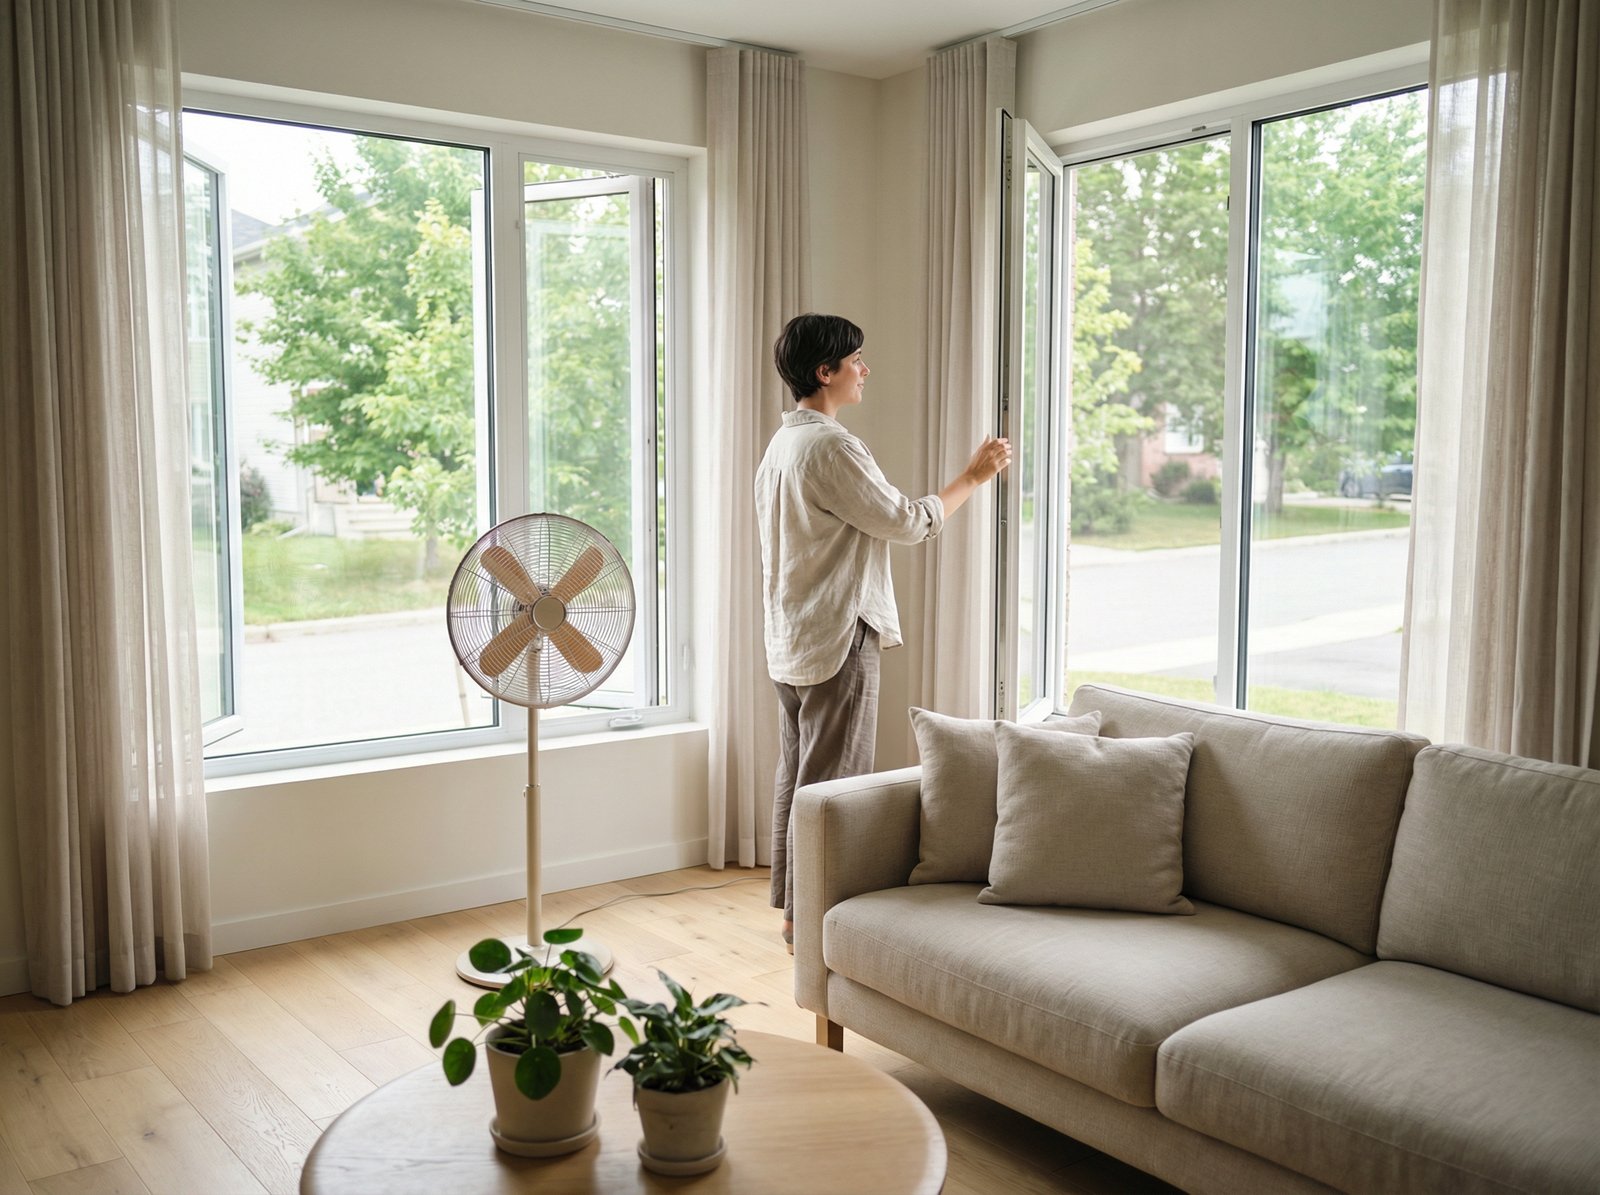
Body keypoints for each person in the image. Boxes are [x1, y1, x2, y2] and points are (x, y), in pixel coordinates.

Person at [756, 312, 1011, 949]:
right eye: (856, 361)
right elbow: (906, 521)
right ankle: (814, 919)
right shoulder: (829, 446)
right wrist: (973, 479)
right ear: (825, 372)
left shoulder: (783, 445)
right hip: (838, 631)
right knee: (836, 784)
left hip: (791, 633)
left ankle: (795, 910)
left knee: (800, 773)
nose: (865, 370)